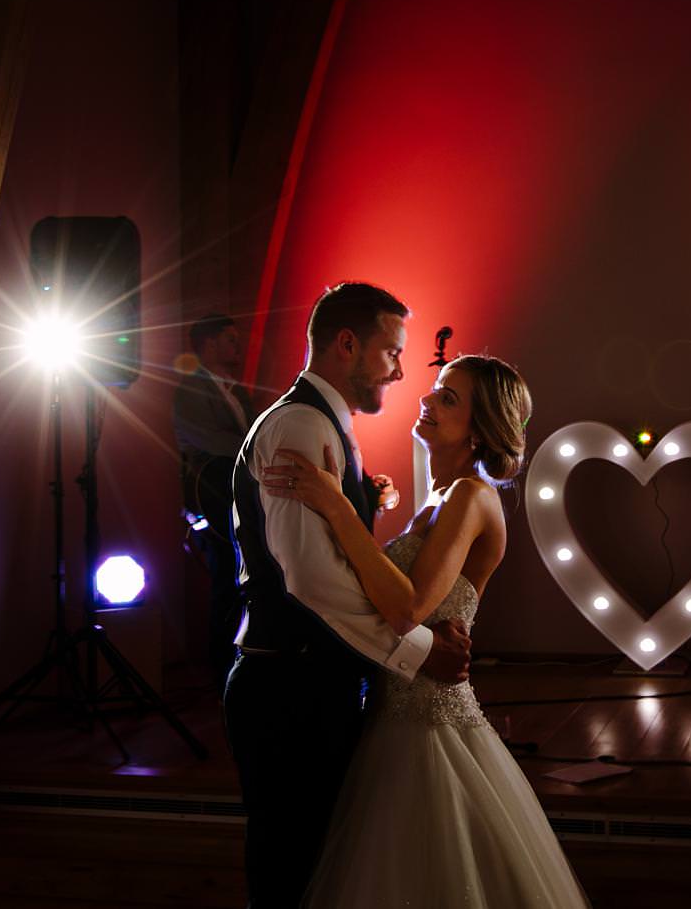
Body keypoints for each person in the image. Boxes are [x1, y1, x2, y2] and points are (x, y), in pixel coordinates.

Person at [262, 354, 591, 909]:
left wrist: (337, 507)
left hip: (431, 723)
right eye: (437, 390)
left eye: (448, 398)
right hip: (390, 710)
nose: (427, 400)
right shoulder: (437, 500)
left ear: (480, 429)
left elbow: (409, 607)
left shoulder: (470, 496)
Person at [223, 283, 474, 909]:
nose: (399, 370)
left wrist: (361, 502)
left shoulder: (324, 423)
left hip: (313, 681)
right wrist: (418, 650)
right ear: (346, 345)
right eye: (391, 352)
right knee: (291, 872)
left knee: (319, 867)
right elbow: (311, 579)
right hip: (288, 689)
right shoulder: (300, 425)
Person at [172, 314, 252, 678]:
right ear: (209, 344)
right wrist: (258, 448)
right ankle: (221, 672)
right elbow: (210, 440)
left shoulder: (237, 391)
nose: (238, 345)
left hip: (235, 498)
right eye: (230, 339)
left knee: (243, 580)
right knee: (225, 580)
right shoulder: (190, 389)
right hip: (211, 498)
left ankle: (241, 667)